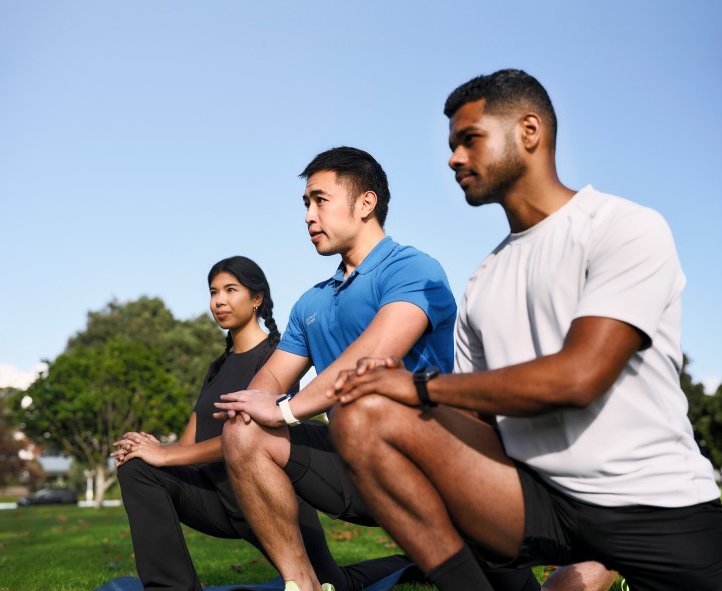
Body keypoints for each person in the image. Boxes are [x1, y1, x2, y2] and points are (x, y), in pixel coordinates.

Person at [327, 69, 722, 591]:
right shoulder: (484, 281)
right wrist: (390, 387)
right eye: (451, 145)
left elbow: (579, 378)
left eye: (470, 140)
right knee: (360, 412)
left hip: (652, 506)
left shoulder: (622, 226)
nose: (453, 158)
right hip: (537, 500)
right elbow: (477, 419)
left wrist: (421, 386)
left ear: (529, 132)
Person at [214, 147, 542, 591]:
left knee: (514, 586)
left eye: (320, 200)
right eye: (305, 204)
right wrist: (257, 403)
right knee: (244, 430)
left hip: (436, 466)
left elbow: (371, 358)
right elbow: (271, 379)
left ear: (366, 203)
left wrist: (288, 410)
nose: (309, 216)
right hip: (355, 459)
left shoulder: (411, 268)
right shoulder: (311, 301)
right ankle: (303, 585)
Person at [112, 256, 395, 591]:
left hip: (271, 501)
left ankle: (417, 562)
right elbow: (187, 443)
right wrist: (150, 450)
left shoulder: (277, 358)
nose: (219, 300)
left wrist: (167, 456)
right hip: (217, 500)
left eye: (231, 289)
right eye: (213, 291)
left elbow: (253, 434)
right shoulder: (217, 366)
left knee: (335, 583)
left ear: (257, 298)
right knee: (136, 469)